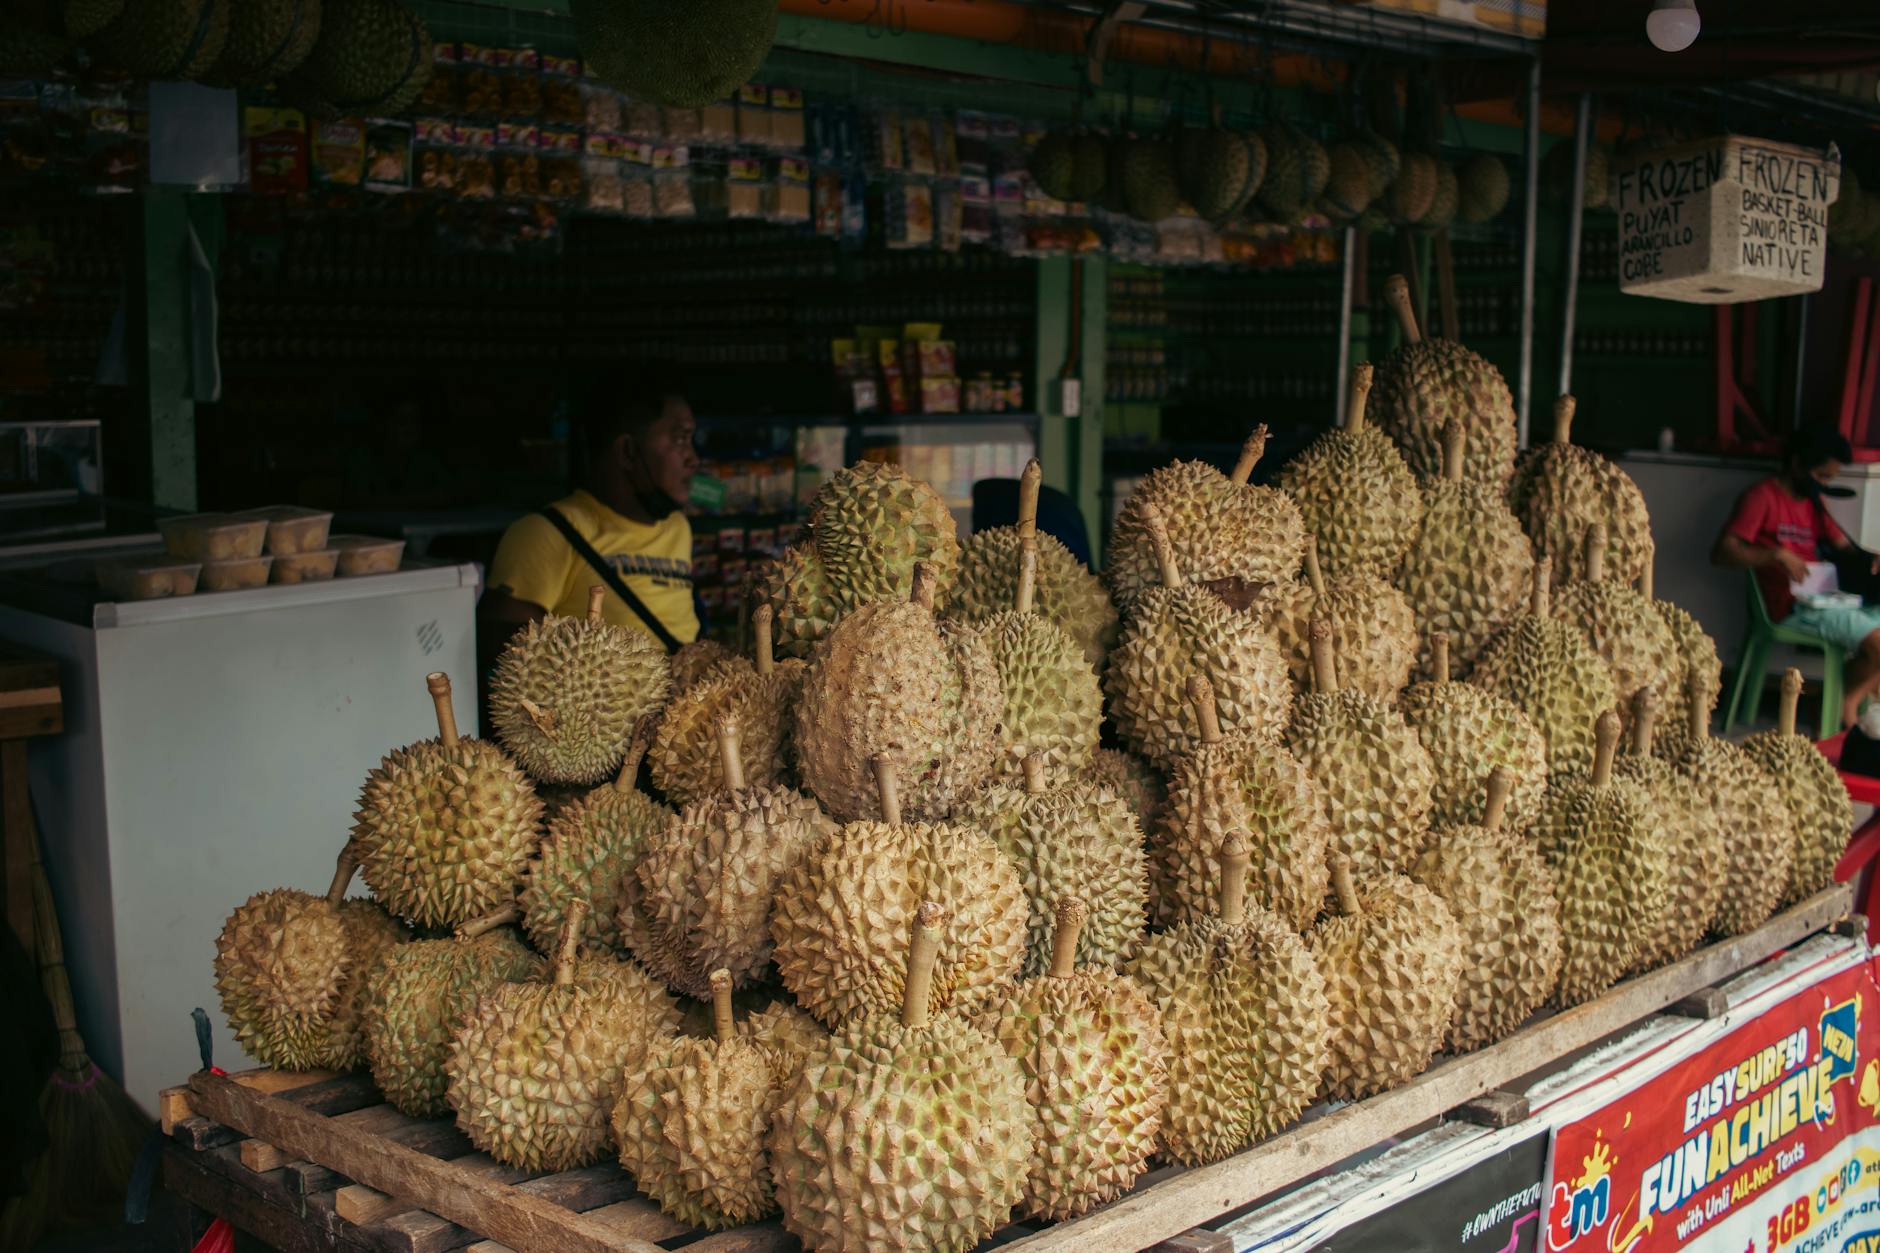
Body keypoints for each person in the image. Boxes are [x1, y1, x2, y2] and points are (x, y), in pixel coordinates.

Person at [479, 371, 700, 677]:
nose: (693, 458)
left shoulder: (678, 527)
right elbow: (496, 643)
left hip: (684, 712)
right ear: (628, 452)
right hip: (601, 716)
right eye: (680, 439)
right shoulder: (547, 533)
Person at [1712, 427, 1880, 729]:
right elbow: (1723, 552)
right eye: (1821, 476)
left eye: (1830, 478)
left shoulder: (1813, 502)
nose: (1824, 484)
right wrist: (1774, 554)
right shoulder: (1762, 497)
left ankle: (1840, 702)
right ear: (1797, 464)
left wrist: (1873, 558)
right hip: (1788, 606)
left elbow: (1845, 548)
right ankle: (1847, 709)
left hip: (1822, 601)